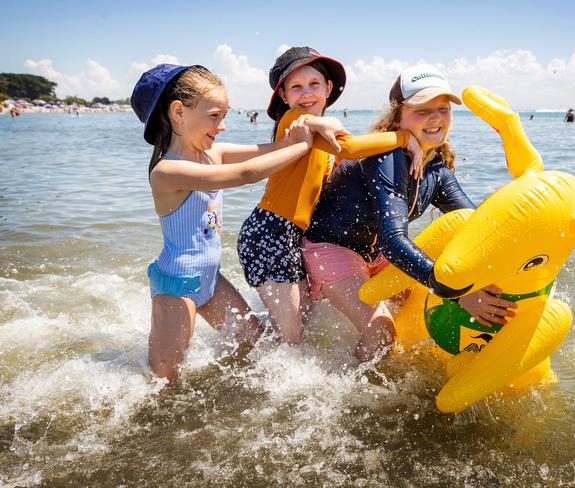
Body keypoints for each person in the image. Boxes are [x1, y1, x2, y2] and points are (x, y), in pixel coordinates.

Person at [303, 64, 518, 361]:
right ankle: (349, 399)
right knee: (381, 334)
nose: (435, 118)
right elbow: (393, 241)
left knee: (417, 300)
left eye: (442, 109)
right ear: (397, 117)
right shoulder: (386, 158)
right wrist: (457, 291)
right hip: (330, 248)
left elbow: (475, 225)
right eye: (422, 110)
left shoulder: (436, 168)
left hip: (374, 254)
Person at [131, 64, 315, 380]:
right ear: (178, 112)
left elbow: (270, 150)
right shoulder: (167, 172)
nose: (223, 126)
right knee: (162, 379)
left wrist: (302, 132)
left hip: (211, 279)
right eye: (215, 116)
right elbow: (247, 173)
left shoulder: (213, 152)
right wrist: (302, 146)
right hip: (178, 285)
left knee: (255, 342)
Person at [237, 47, 423, 346]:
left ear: (328, 88)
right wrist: (405, 138)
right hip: (268, 234)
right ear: (284, 97)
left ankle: (251, 343)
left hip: (293, 235)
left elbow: (345, 162)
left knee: (301, 322)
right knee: (292, 334)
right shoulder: (293, 123)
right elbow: (348, 148)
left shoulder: (321, 139)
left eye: (314, 84)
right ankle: (254, 365)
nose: (306, 93)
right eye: (296, 87)